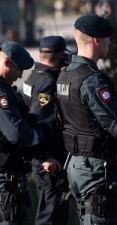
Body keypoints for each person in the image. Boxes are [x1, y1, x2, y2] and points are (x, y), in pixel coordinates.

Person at [56, 14, 117, 225]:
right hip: (95, 167)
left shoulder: (65, 75)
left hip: (76, 164)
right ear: (97, 40)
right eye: (107, 38)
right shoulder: (92, 79)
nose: (110, 43)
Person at [22, 35, 70, 225]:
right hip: (50, 161)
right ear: (61, 55)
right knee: (50, 215)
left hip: (40, 157)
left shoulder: (33, 76)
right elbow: (39, 119)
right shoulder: (48, 83)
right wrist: (44, 158)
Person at [0, 41, 43, 224]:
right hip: (4, 178)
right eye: (18, 70)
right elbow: (15, 133)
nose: (19, 76)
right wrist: (38, 137)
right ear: (7, 61)